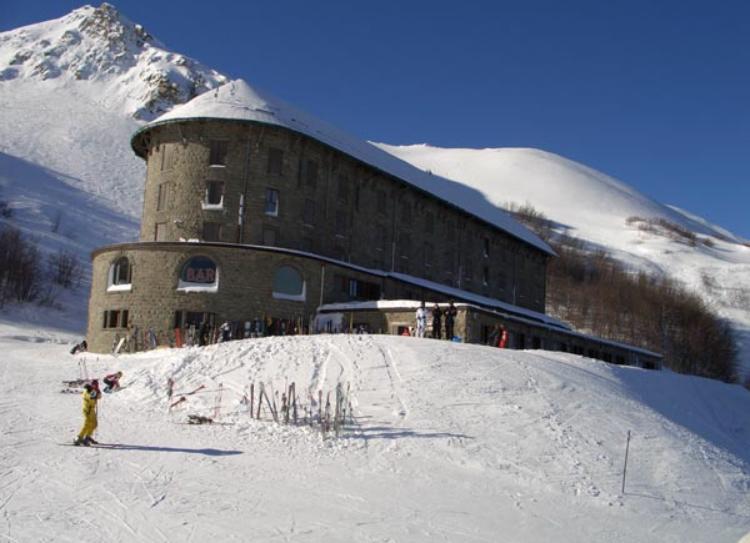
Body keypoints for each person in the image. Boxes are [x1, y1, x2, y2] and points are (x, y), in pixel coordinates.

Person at [74, 380, 101, 446]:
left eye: (96, 385)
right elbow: (90, 397)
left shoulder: (94, 391)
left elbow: (99, 397)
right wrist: (94, 394)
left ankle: (88, 437)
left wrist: (98, 392)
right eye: (93, 385)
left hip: (91, 410)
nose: (95, 386)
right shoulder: (88, 391)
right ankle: (79, 437)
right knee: (87, 424)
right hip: (87, 410)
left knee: (94, 424)